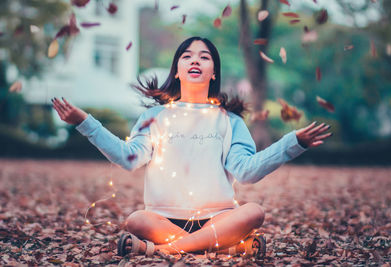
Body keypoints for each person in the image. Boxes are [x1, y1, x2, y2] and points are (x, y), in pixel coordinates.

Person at [51, 36, 331, 259]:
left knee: (254, 211)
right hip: (162, 221)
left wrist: (293, 143)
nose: (195, 60)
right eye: (187, 56)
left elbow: (246, 172)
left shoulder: (229, 121)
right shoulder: (154, 117)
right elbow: (128, 158)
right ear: (177, 70)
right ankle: (221, 248)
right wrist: (85, 123)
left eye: (204, 57)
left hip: (217, 219)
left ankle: (163, 251)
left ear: (213, 73)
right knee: (136, 219)